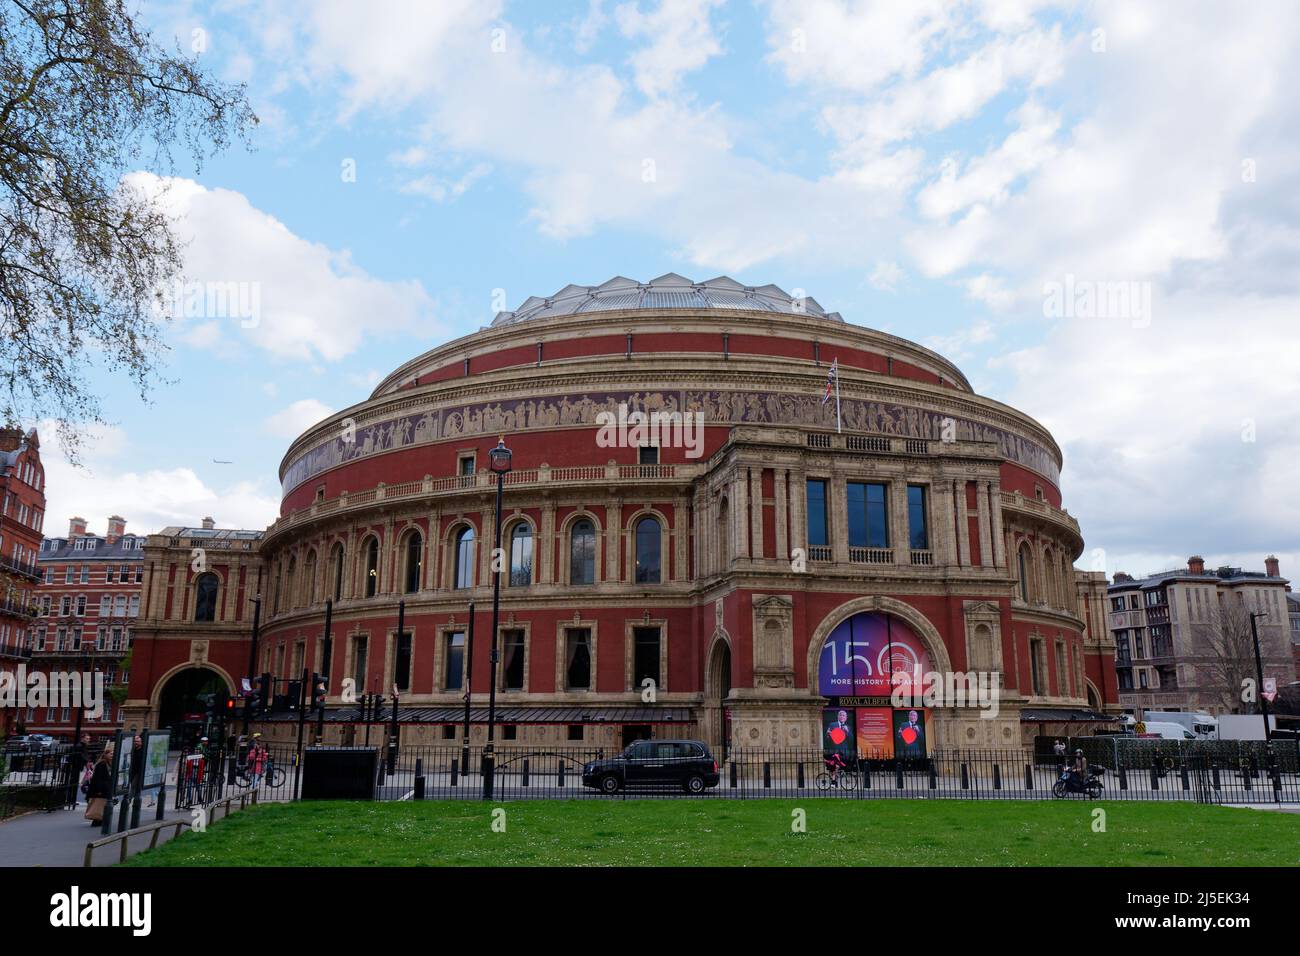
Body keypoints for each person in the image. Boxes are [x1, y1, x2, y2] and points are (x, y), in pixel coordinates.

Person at [84, 745, 113, 826]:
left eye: (113, 754)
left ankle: (99, 821)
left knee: (101, 806)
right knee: (98, 807)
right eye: (110, 754)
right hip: (99, 790)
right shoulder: (102, 764)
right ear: (105, 755)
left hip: (104, 789)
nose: (112, 755)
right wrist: (99, 790)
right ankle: (97, 821)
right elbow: (98, 779)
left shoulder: (109, 764)